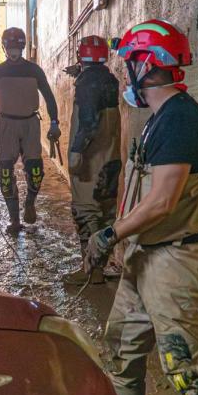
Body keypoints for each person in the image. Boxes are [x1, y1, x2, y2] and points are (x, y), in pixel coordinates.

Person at [85, 19, 198, 395]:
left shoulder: (183, 121)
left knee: (186, 367)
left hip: (176, 261)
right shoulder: (159, 121)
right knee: (122, 355)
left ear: (145, 65)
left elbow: (163, 201)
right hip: (146, 257)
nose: (126, 70)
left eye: (130, 61)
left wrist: (109, 233)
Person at [0, 27, 61, 234]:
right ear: (5, 48)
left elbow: (49, 97)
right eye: (10, 46)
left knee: (35, 171)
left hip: (30, 123)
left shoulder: (34, 71)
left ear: (22, 47)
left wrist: (54, 123)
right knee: (5, 174)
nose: (14, 50)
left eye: (17, 47)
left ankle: (30, 203)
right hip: (6, 124)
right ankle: (14, 219)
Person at [61, 35, 123, 285]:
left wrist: (76, 153)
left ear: (80, 56)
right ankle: (99, 267)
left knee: (85, 213)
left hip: (91, 162)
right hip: (111, 161)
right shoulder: (109, 79)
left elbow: (88, 122)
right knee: (106, 214)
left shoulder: (87, 84)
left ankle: (89, 271)